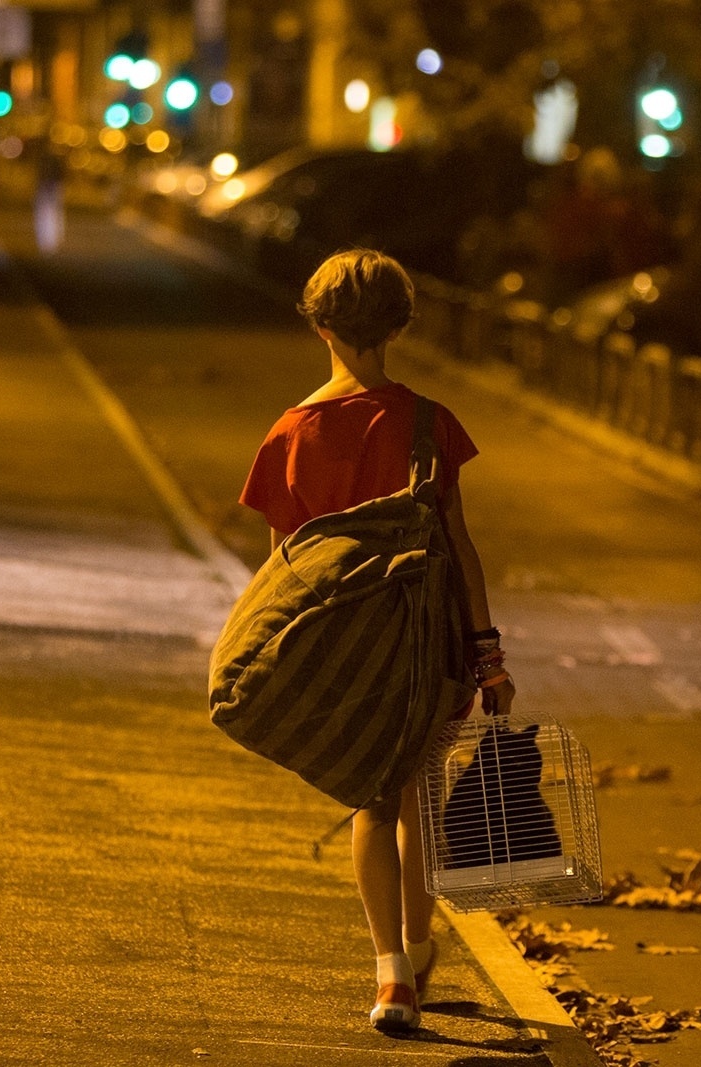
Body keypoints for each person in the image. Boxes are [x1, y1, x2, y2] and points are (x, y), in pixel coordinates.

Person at [237, 249, 516, 1033]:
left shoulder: (289, 434)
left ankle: (391, 972)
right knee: (421, 797)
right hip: (428, 649)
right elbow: (461, 549)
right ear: (400, 325)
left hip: (347, 655)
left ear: (319, 326)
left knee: (372, 799)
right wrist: (488, 657)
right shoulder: (431, 425)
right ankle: (420, 948)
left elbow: (284, 572)